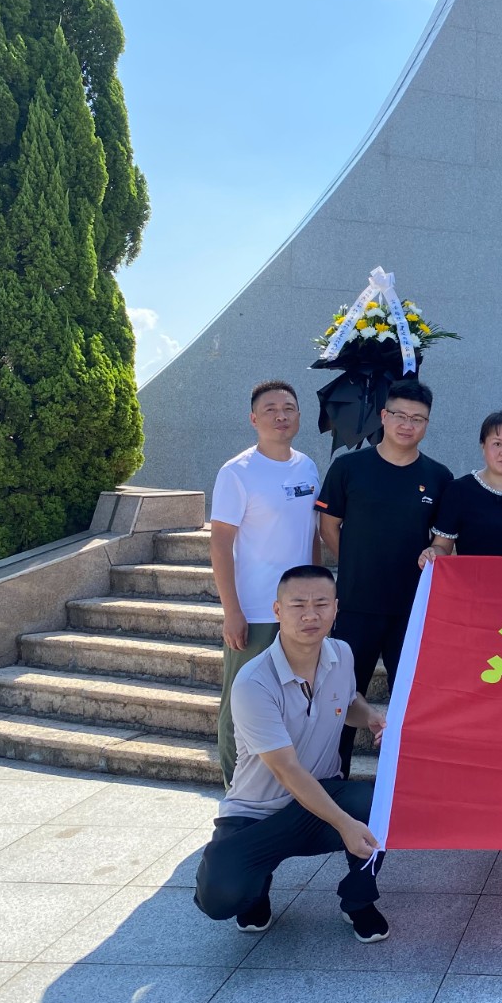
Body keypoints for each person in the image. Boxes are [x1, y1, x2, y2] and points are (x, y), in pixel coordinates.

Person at [194, 565, 392, 943]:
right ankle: (256, 888)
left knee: (378, 807)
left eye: (321, 604)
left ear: (336, 608)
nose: (310, 615)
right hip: (257, 814)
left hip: (319, 798)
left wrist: (370, 718)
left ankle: (359, 900)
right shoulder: (254, 681)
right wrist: (344, 824)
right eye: (298, 604)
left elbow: (347, 700)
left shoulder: (341, 653)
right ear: (277, 610)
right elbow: (286, 770)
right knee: (220, 896)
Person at [316, 379, 452, 775]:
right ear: (383, 416)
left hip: (412, 610)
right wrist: (358, 563)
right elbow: (328, 528)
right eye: (400, 415)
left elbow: (443, 541)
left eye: (417, 419)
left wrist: (436, 551)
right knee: (342, 696)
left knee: (412, 700)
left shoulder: (439, 477)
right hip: (356, 605)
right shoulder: (349, 467)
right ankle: (333, 778)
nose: (407, 425)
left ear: (427, 424)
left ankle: (408, 781)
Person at [210, 381, 321, 788]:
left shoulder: (307, 467)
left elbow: (311, 535)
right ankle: (236, 790)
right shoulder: (237, 472)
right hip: (256, 611)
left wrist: (320, 597)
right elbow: (220, 543)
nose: (281, 415)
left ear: (299, 416)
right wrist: (232, 611)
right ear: (254, 418)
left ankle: (285, 790)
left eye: (288, 408)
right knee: (242, 703)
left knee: (294, 703)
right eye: (270, 409)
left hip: (301, 611)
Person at [422, 410, 502, 561]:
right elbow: (442, 546)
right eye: (497, 444)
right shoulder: (459, 491)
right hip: (472, 576)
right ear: (483, 445)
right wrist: (432, 554)